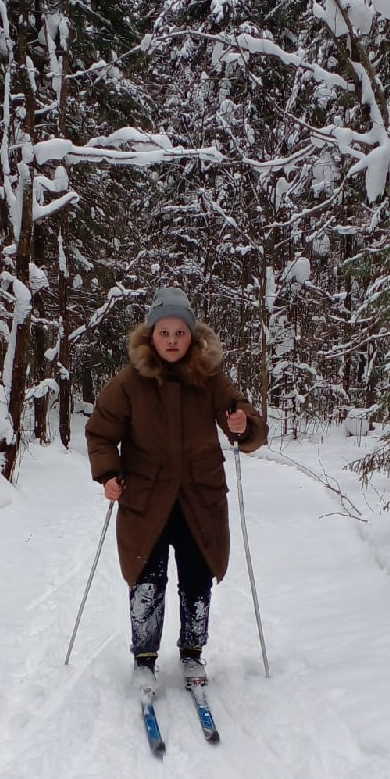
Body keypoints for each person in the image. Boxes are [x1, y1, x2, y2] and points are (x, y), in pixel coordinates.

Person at [85, 285, 267, 695]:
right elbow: (99, 433)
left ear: (192, 335)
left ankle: (191, 654)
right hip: (146, 498)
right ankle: (144, 659)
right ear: (151, 335)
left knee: (197, 577)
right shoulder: (129, 383)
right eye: (164, 333)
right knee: (147, 579)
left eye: (179, 333)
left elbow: (245, 419)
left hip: (199, 497)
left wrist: (243, 425)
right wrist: (108, 473)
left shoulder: (211, 378)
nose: (171, 341)